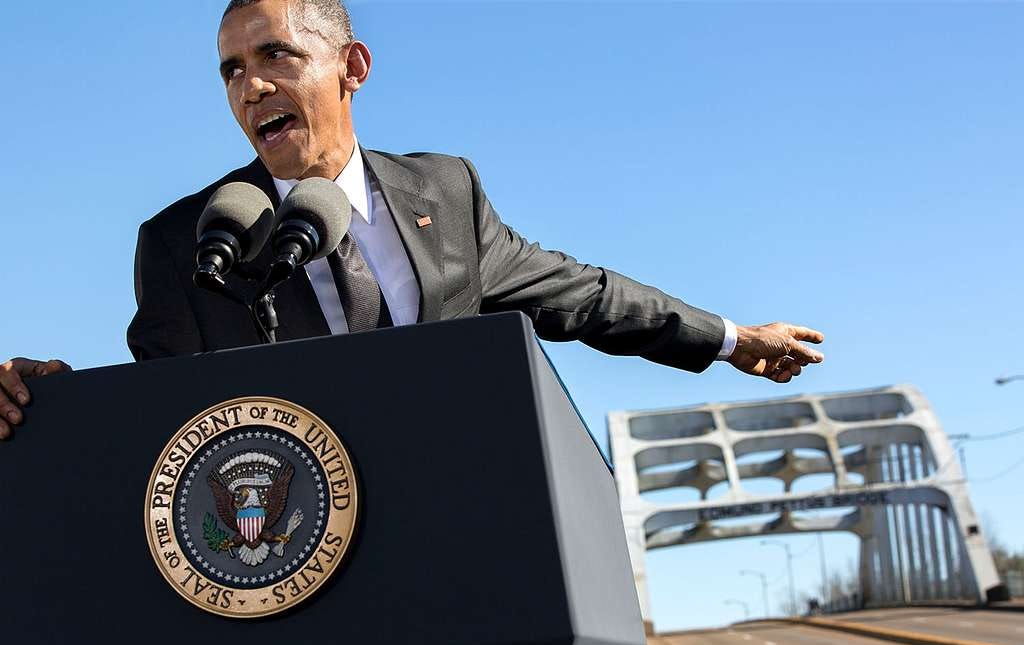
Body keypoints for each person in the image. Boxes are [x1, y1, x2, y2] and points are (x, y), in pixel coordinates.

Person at [0, 0, 825, 440]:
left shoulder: (446, 192)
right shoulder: (187, 239)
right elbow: (161, 415)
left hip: (458, 542)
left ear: (351, 67)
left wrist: (730, 338)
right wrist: (56, 405)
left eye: (274, 57)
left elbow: (584, 295)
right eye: (231, 70)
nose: (249, 88)